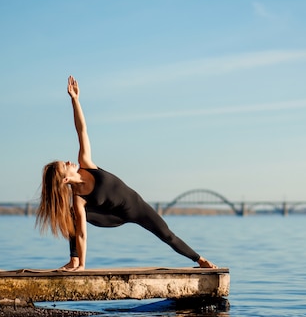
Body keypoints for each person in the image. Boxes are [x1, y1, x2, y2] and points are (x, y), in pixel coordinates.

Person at [36, 76, 217, 271]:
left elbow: (82, 130)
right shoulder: (78, 199)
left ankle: (201, 260)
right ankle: (75, 261)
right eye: (65, 165)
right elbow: (81, 234)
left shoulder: (86, 163)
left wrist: (75, 100)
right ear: (65, 178)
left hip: (134, 207)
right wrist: (83, 266)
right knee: (73, 216)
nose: (69, 161)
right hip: (110, 217)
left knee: (167, 234)